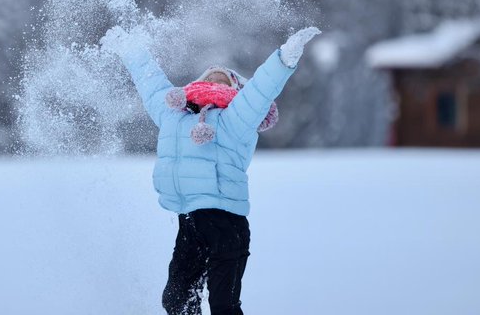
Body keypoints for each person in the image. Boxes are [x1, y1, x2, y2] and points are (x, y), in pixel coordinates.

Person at [101, 26, 320, 315]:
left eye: (224, 78)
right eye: (209, 76)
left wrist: (284, 59)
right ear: (195, 84)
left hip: (226, 224)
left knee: (223, 306)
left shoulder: (237, 117)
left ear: (235, 90)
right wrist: (131, 50)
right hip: (189, 222)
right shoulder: (173, 114)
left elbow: (261, 89)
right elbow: (150, 83)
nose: (216, 77)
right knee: (176, 301)